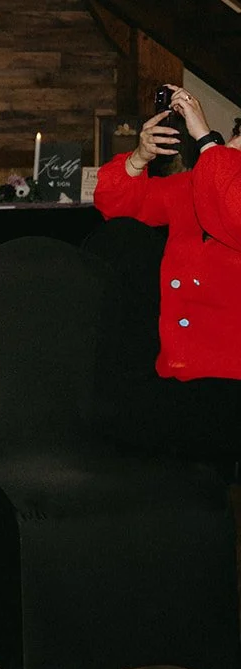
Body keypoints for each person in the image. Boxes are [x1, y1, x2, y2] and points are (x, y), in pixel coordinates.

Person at [89, 86, 241, 459]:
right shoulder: (196, 185)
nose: (235, 146)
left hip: (229, 376)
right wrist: (139, 158)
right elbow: (118, 206)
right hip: (179, 368)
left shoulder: (220, 182)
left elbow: (233, 215)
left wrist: (206, 140)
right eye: (238, 135)